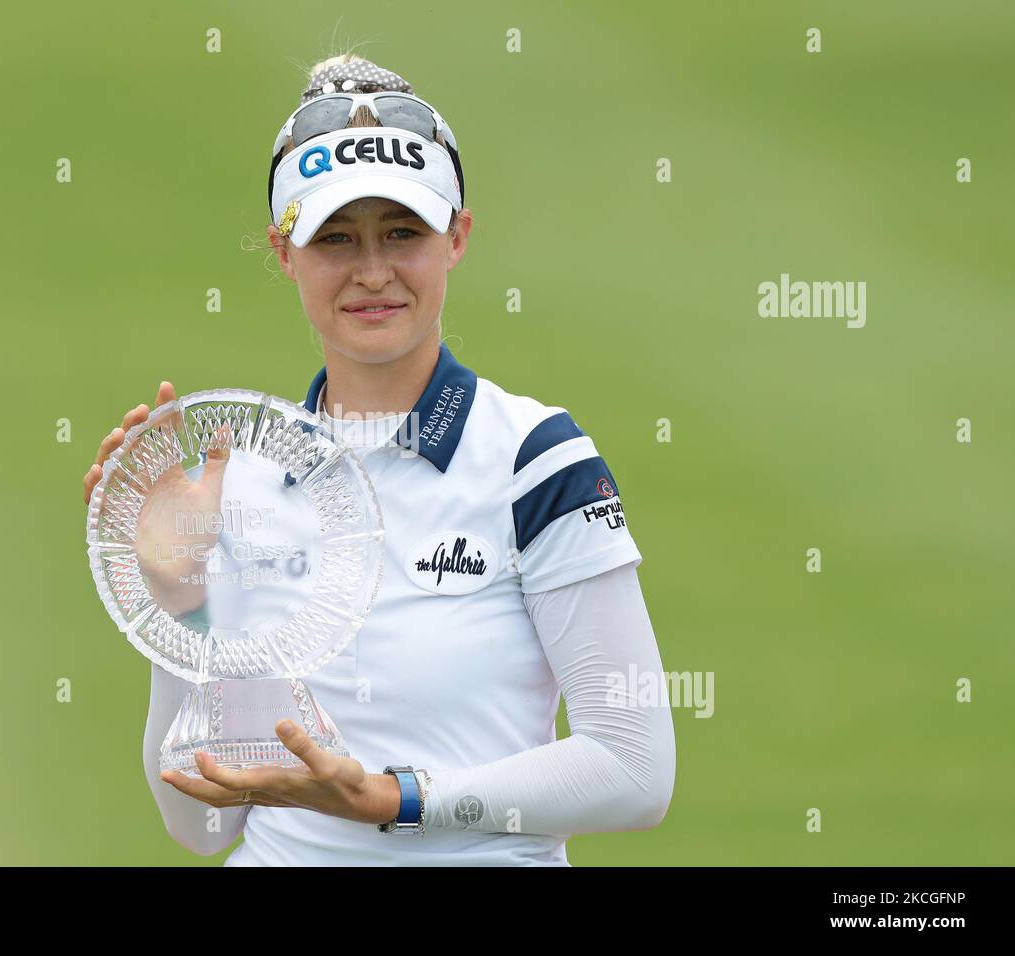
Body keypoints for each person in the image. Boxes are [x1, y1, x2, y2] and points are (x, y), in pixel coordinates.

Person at [81, 53, 675, 866]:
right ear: (284, 252)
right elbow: (204, 827)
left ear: (456, 237)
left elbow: (634, 768)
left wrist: (395, 800)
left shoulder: (534, 458)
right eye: (335, 238)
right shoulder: (237, 480)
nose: (371, 272)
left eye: (402, 233)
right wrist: (176, 603)